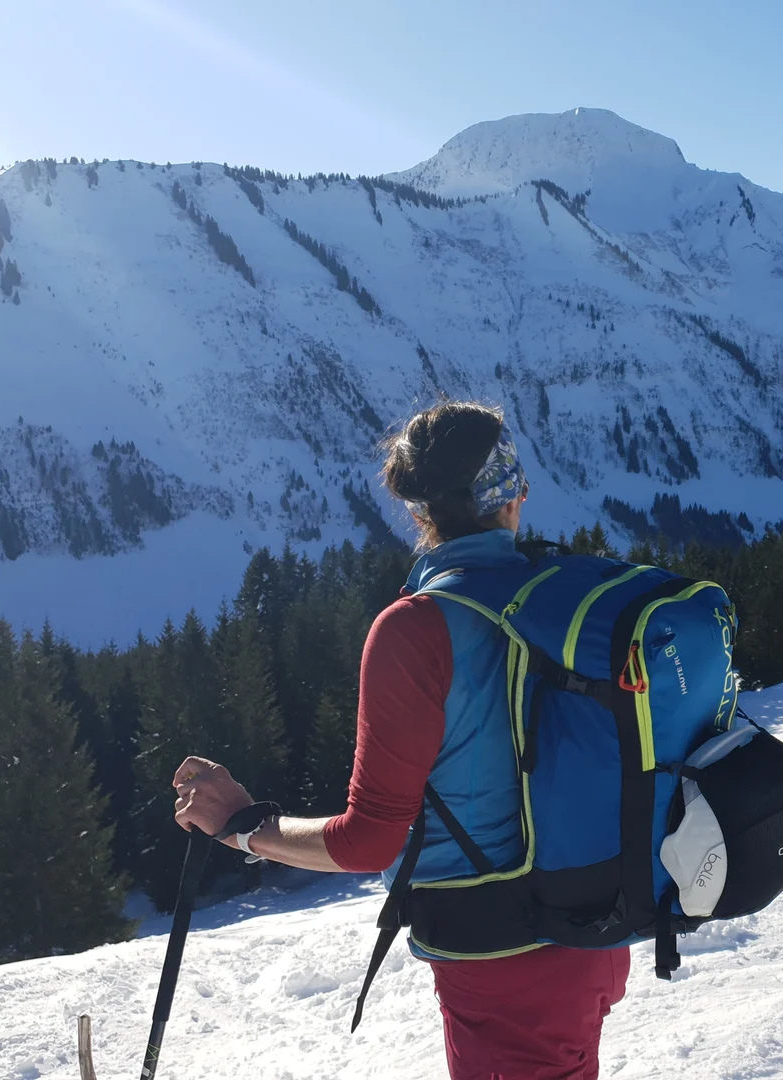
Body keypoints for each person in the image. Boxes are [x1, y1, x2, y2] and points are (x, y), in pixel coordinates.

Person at [168, 401, 628, 1080]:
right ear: (514, 499)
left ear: (418, 514)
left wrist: (243, 826)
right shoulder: (566, 600)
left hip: (501, 954)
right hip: (596, 925)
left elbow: (368, 843)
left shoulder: (414, 630)